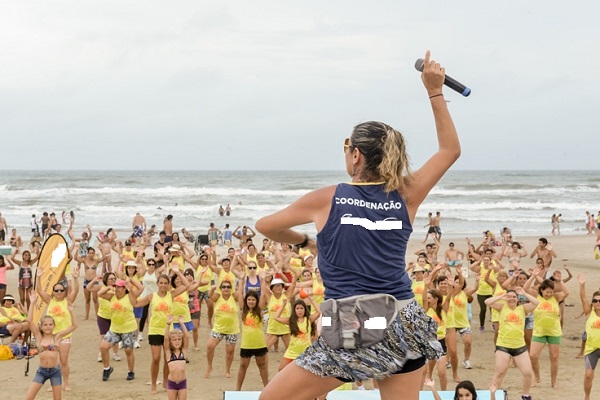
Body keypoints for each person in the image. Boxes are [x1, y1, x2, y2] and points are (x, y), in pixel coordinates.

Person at [254, 50, 459, 400]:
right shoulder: (406, 193)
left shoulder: (328, 198)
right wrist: (434, 90)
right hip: (403, 322)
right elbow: (449, 150)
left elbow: (266, 226)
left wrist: (305, 243)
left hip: (354, 321)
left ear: (356, 155)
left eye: (347, 146)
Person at [485, 288, 539, 400]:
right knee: (500, 372)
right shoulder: (502, 307)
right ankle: (492, 395)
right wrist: (502, 297)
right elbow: (487, 302)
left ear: (517, 299)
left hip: (519, 346)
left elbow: (536, 302)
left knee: (528, 373)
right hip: (503, 345)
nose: (512, 299)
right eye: (509, 297)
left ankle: (525, 395)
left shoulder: (522, 309)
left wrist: (524, 293)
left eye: (514, 297)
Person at [35, 264, 80, 392]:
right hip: (51, 336)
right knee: (52, 360)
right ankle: (53, 383)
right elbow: (39, 290)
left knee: (63, 359)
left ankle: (65, 382)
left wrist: (75, 278)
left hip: (65, 334)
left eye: (61, 290)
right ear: (53, 292)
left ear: (65, 291)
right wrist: (38, 277)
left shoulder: (68, 300)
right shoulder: (50, 300)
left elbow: (75, 291)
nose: (59, 292)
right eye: (56, 290)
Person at [25, 293, 78, 400]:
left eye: (50, 324)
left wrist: (71, 311)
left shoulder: (57, 337)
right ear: (41, 326)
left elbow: (74, 326)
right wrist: (32, 303)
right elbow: (29, 321)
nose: (48, 327)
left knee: (57, 399)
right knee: (29, 398)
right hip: (41, 371)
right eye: (45, 324)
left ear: (54, 326)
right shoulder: (38, 336)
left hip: (55, 372)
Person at [236, 279, 269, 391]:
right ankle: (238, 390)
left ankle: (267, 389)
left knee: (262, 367)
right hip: (246, 344)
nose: (251, 301)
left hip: (259, 343)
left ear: (256, 301)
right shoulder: (243, 310)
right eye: (249, 299)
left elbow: (263, 294)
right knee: (242, 367)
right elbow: (240, 294)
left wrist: (263, 280)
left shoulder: (259, 310)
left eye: (253, 299)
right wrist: (241, 281)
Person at [577, 274, 600, 400]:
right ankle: (587, 397)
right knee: (588, 375)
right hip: (592, 349)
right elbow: (583, 298)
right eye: (595, 300)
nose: (597, 303)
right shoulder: (589, 313)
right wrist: (582, 285)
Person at [164, 315, 189, 400]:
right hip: (171, 384)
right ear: (171, 342)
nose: (177, 341)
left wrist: (182, 323)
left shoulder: (184, 351)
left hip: (182, 383)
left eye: (179, 339)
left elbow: (187, 336)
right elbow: (166, 338)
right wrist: (168, 324)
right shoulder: (168, 353)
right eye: (174, 340)